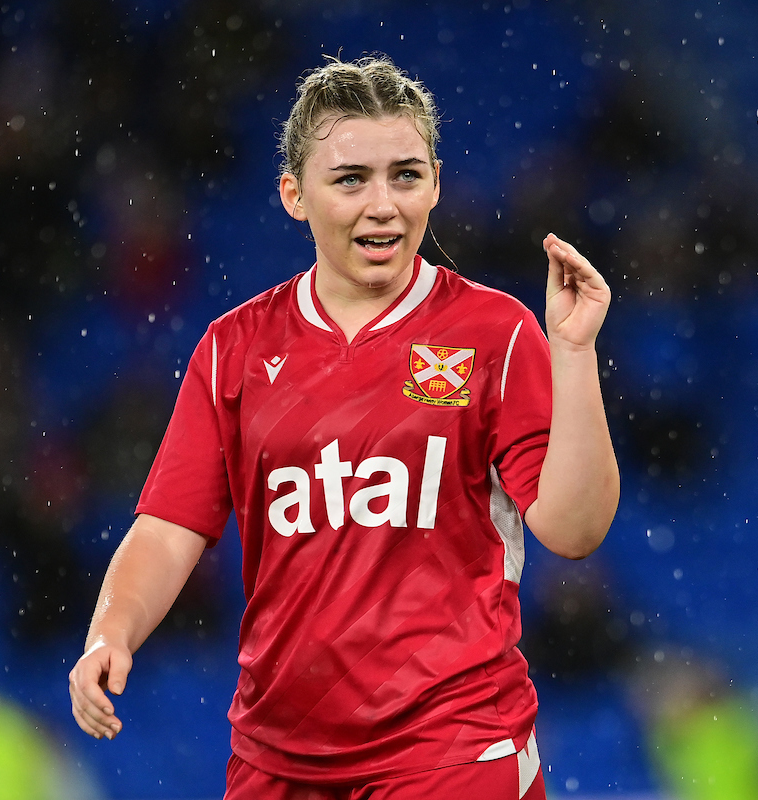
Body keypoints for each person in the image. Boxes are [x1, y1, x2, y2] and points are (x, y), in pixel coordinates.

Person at [68, 55, 619, 800]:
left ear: (436, 185)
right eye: (351, 179)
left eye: (406, 175)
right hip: (278, 757)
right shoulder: (236, 347)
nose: (384, 203)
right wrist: (113, 630)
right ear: (294, 195)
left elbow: (575, 529)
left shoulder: (494, 333)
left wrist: (575, 353)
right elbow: (168, 529)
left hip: (450, 747)